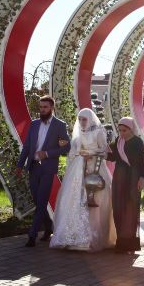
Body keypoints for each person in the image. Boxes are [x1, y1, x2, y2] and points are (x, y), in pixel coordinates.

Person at [49, 108, 116, 252]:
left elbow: (105, 151)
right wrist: (80, 155)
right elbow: (72, 153)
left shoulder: (99, 132)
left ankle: (93, 238)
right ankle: (72, 235)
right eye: (79, 119)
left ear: (90, 119)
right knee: (74, 200)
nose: (81, 122)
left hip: (95, 170)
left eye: (84, 119)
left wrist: (91, 154)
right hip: (78, 171)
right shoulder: (77, 134)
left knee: (96, 200)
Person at [14, 95, 70, 247]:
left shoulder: (59, 125)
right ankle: (48, 226)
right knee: (37, 200)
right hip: (33, 167)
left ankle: (32, 235)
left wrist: (48, 154)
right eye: (41, 107)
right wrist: (20, 165)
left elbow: (66, 147)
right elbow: (27, 147)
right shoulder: (34, 124)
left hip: (48, 168)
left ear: (52, 108)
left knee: (42, 200)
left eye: (45, 107)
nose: (42, 110)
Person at [106, 117, 144, 253]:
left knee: (130, 211)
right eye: (120, 130)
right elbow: (112, 157)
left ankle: (130, 244)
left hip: (133, 179)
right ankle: (121, 243)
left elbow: (141, 162)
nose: (122, 133)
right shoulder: (118, 141)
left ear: (131, 129)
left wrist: (142, 178)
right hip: (119, 178)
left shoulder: (137, 142)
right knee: (118, 209)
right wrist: (102, 151)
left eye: (125, 130)